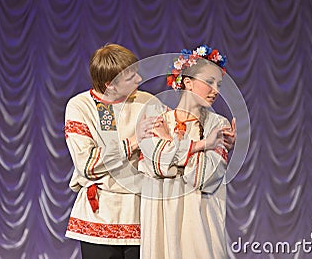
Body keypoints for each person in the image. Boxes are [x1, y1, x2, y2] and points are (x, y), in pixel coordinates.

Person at [64, 43, 164, 259]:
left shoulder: (148, 102)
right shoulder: (80, 106)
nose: (139, 80)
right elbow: (87, 164)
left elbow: (165, 150)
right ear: (110, 85)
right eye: (131, 78)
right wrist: (134, 143)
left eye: (137, 73)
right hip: (100, 215)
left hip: (141, 213)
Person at [138, 45, 237, 259]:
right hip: (161, 226)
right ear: (188, 82)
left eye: (218, 84)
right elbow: (156, 165)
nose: (216, 90)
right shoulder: (157, 120)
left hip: (200, 225)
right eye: (209, 82)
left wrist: (168, 144)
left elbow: (203, 177)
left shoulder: (217, 125)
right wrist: (199, 148)